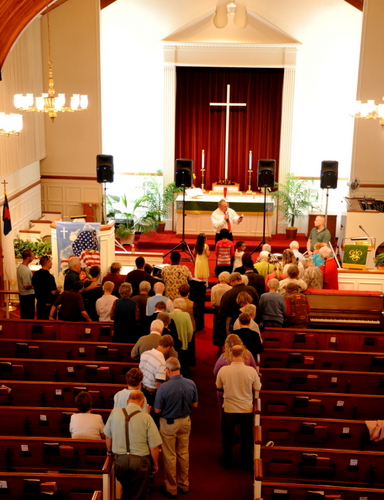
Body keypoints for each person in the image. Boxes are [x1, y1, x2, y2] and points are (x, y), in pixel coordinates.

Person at [104, 390, 162, 500]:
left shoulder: (115, 412)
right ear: (142, 402)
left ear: (127, 401)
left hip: (120, 461)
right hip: (140, 463)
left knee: (126, 491)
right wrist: (155, 464)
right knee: (139, 494)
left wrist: (109, 453)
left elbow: (108, 436)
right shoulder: (146, 418)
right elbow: (154, 447)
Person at [154, 357, 198, 498]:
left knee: (169, 456)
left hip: (169, 424)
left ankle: (171, 488)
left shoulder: (164, 387)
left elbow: (157, 410)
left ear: (168, 370)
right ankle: (184, 485)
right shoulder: (191, 383)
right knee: (183, 454)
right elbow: (195, 405)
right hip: (185, 421)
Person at [216, 345, 261, 470]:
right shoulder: (251, 371)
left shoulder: (224, 370)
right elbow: (258, 387)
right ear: (244, 354)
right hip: (246, 408)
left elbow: (219, 386)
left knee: (227, 435)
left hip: (229, 407)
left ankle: (227, 458)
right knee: (246, 436)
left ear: (230, 354)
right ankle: (245, 460)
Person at [213, 334, 258, 417]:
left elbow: (215, 372)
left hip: (227, 390)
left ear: (226, 344)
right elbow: (254, 370)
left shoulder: (224, 357)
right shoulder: (248, 354)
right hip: (245, 389)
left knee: (220, 392)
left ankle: (224, 420)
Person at [139, 334, 174, 406]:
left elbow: (140, 371)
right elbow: (159, 384)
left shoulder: (145, 353)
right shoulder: (161, 362)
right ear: (168, 347)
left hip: (142, 388)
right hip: (152, 392)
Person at [32, 255, 61, 319]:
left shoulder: (35, 274)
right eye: (50, 262)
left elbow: (34, 286)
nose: (52, 263)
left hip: (40, 303)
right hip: (49, 305)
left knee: (41, 322)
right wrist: (58, 290)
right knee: (49, 325)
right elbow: (53, 292)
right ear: (47, 263)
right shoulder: (49, 277)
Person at [169, 298, 194, 371]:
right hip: (183, 342)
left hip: (172, 342)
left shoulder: (168, 315)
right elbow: (190, 330)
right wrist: (188, 340)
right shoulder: (186, 315)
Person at [211, 271, 231, 352]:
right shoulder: (230, 288)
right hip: (226, 310)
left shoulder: (214, 288)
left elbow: (213, 301)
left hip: (217, 309)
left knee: (217, 328)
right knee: (226, 327)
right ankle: (227, 346)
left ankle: (219, 347)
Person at [17, 249, 35, 319]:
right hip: (28, 296)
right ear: (28, 257)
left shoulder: (20, 267)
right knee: (28, 316)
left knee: (24, 315)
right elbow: (26, 285)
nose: (33, 258)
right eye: (32, 256)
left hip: (23, 295)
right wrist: (35, 285)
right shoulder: (25, 270)